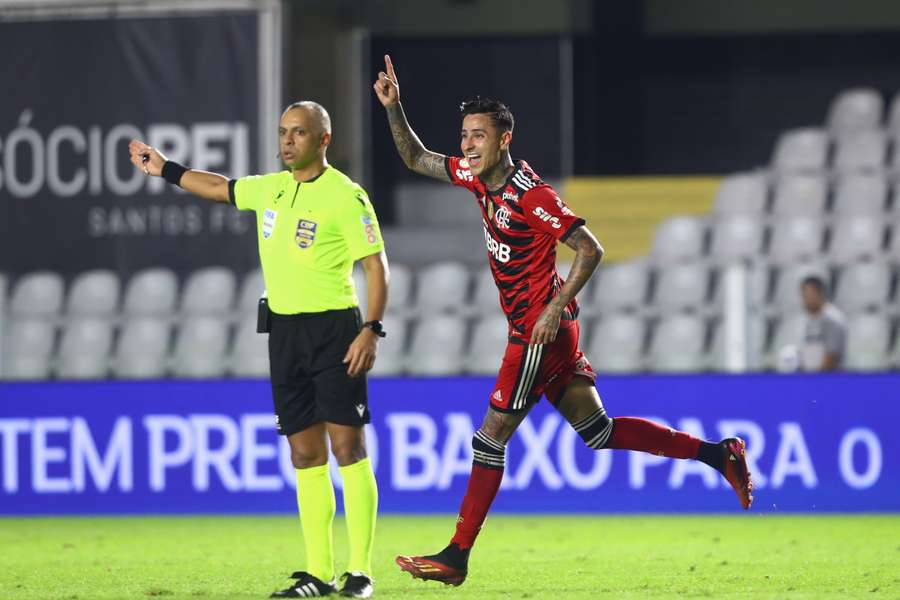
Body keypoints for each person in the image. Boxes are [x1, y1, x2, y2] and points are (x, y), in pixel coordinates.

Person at [372, 55, 753, 587]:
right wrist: (394, 107)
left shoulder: (533, 196)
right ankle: (719, 454)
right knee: (598, 432)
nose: (467, 146)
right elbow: (415, 157)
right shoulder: (476, 177)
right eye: (464, 136)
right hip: (549, 326)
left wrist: (551, 309)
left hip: (537, 331)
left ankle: (455, 556)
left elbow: (589, 249)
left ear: (504, 139)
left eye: (478, 136)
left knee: (489, 439)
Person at [129, 101, 385, 599]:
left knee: (347, 448)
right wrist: (165, 169)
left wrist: (371, 329)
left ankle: (360, 571)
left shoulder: (346, 197)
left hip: (335, 331)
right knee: (304, 452)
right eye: (283, 132)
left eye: (299, 133)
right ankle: (318, 573)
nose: (288, 141)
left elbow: (376, 267)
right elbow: (219, 188)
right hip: (285, 335)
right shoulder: (270, 189)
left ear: (323, 139)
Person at [798, 274, 846, 371]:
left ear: (820, 294)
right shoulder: (810, 319)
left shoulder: (832, 319)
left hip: (828, 380)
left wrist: (817, 379)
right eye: (803, 296)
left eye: (808, 295)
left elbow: (831, 355)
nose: (804, 300)